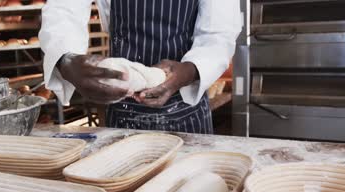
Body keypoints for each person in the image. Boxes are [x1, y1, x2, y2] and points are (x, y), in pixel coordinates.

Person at [39, 0, 241, 133]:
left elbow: (218, 34)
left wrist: (188, 71)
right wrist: (66, 59)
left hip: (185, 114)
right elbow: (63, 9)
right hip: (120, 111)